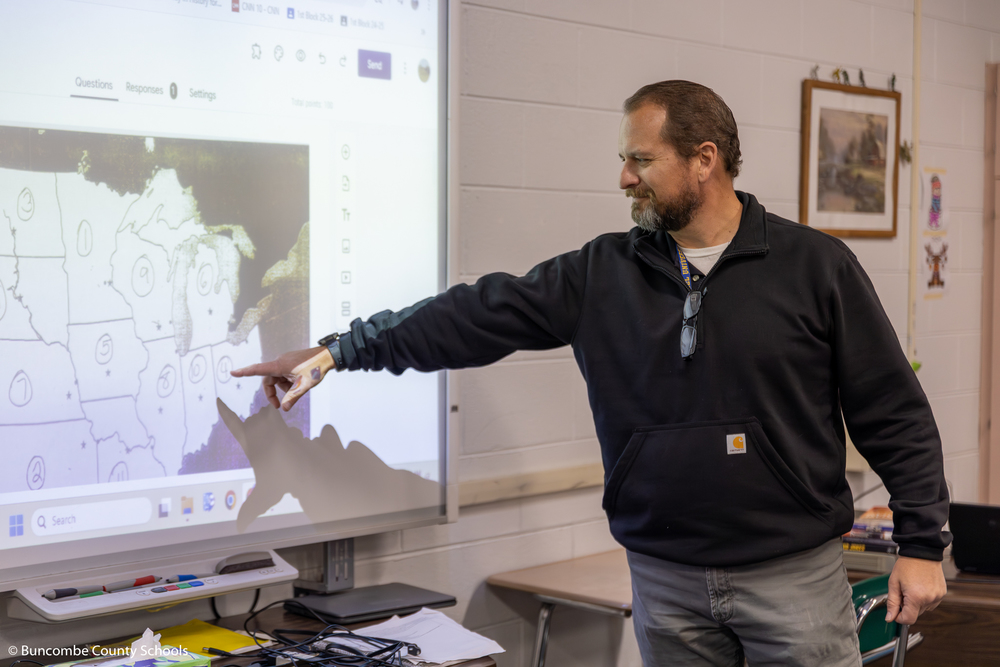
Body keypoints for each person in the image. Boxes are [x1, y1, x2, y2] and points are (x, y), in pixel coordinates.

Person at [232, 80, 950, 666]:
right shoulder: (600, 273)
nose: (624, 176)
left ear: (705, 159)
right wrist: (338, 350)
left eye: (641, 159)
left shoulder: (814, 268)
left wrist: (922, 544)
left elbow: (894, 410)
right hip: (665, 582)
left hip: (793, 578)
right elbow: (471, 315)